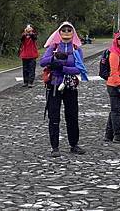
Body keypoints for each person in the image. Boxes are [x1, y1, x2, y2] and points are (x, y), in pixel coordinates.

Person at [40, 21, 88, 157]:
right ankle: (54, 147)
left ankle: (74, 144)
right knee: (54, 116)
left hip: (70, 86)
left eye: (69, 30)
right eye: (63, 30)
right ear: (59, 33)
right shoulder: (53, 47)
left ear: (73, 33)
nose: (66, 33)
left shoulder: (76, 49)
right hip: (54, 85)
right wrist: (55, 57)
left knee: (72, 116)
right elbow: (42, 62)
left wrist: (63, 67)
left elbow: (80, 69)